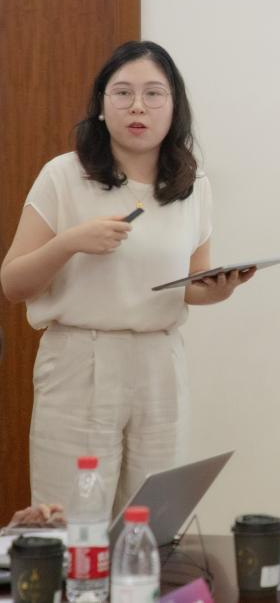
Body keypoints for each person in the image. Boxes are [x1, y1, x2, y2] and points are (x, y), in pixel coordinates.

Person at [0, 40, 254, 514]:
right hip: (81, 361)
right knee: (72, 520)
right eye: (123, 93)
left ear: (174, 106)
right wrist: (70, 242)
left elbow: (192, 285)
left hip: (160, 362)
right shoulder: (64, 175)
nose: (138, 106)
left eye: (154, 94)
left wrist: (217, 290)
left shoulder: (192, 185)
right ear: (101, 105)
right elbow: (13, 284)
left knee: (153, 518)